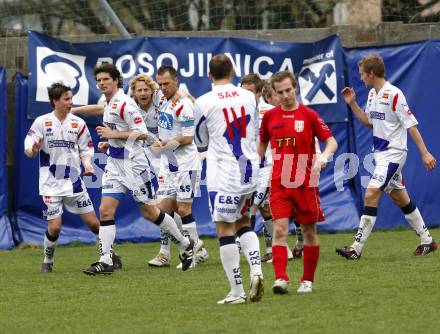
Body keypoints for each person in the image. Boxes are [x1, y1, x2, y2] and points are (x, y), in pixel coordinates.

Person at [83, 64, 194, 275]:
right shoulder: (108, 103)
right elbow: (121, 131)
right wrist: (110, 143)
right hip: (115, 163)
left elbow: (141, 133)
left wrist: (112, 136)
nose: (102, 83)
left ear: (116, 80)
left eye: (106, 79)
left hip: (135, 165)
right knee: (105, 210)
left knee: (150, 212)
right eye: (99, 80)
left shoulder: (125, 103)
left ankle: (184, 243)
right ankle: (105, 260)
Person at [336, 54, 437, 260]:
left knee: (370, 194)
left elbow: (411, 125)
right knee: (400, 198)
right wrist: (353, 103)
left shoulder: (394, 94)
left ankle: (356, 248)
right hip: (380, 155)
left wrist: (425, 153)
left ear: (372, 73)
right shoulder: (373, 94)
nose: (361, 78)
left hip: (394, 153)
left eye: (363, 74)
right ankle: (427, 241)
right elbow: (369, 122)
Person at [258, 71, 338, 294]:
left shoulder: (309, 115)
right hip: (279, 182)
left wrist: (323, 157)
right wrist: (256, 165)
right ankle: (281, 278)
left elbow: (331, 142)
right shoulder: (270, 117)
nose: (285, 95)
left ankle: (307, 280)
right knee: (280, 230)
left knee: (309, 232)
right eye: (280, 92)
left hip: (306, 182)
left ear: (295, 89)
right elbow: (262, 144)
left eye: (288, 90)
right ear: (274, 93)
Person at [194, 54, 264, 304]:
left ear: (209, 75)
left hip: (223, 173)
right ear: (233, 72)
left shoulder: (203, 101)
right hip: (249, 170)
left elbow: (200, 141)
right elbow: (254, 129)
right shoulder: (248, 96)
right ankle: (256, 271)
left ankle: (236, 292)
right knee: (244, 222)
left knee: (225, 230)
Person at [24, 82, 101, 273]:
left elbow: (85, 150)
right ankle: (48, 260)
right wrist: (32, 149)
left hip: (75, 183)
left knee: (94, 223)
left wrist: (88, 165)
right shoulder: (42, 122)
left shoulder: (78, 123)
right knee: (55, 227)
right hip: (50, 185)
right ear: (54, 101)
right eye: (66, 99)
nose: (70, 102)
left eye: (71, 98)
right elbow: (29, 148)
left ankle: (108, 255)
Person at [150, 65, 207, 269]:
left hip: (187, 165)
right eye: (160, 84)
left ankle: (191, 255)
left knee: (184, 209)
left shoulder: (183, 105)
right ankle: (197, 246)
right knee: (162, 209)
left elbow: (187, 138)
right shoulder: (162, 100)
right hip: (169, 164)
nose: (163, 87)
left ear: (177, 81)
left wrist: (162, 145)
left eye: (167, 83)